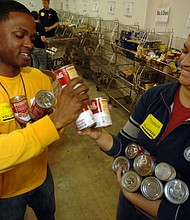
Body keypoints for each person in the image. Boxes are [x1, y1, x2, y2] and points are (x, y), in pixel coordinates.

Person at [79, 35, 190, 220]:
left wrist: (132, 196)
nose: (185, 62)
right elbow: (126, 145)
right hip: (128, 207)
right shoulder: (155, 96)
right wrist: (99, 135)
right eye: (185, 51)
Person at [0, 1, 90, 220]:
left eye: (31, 37)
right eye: (19, 36)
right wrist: (56, 120)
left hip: (41, 175)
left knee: (48, 213)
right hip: (7, 191)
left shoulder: (39, 78)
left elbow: (53, 130)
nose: (30, 45)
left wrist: (70, 114)